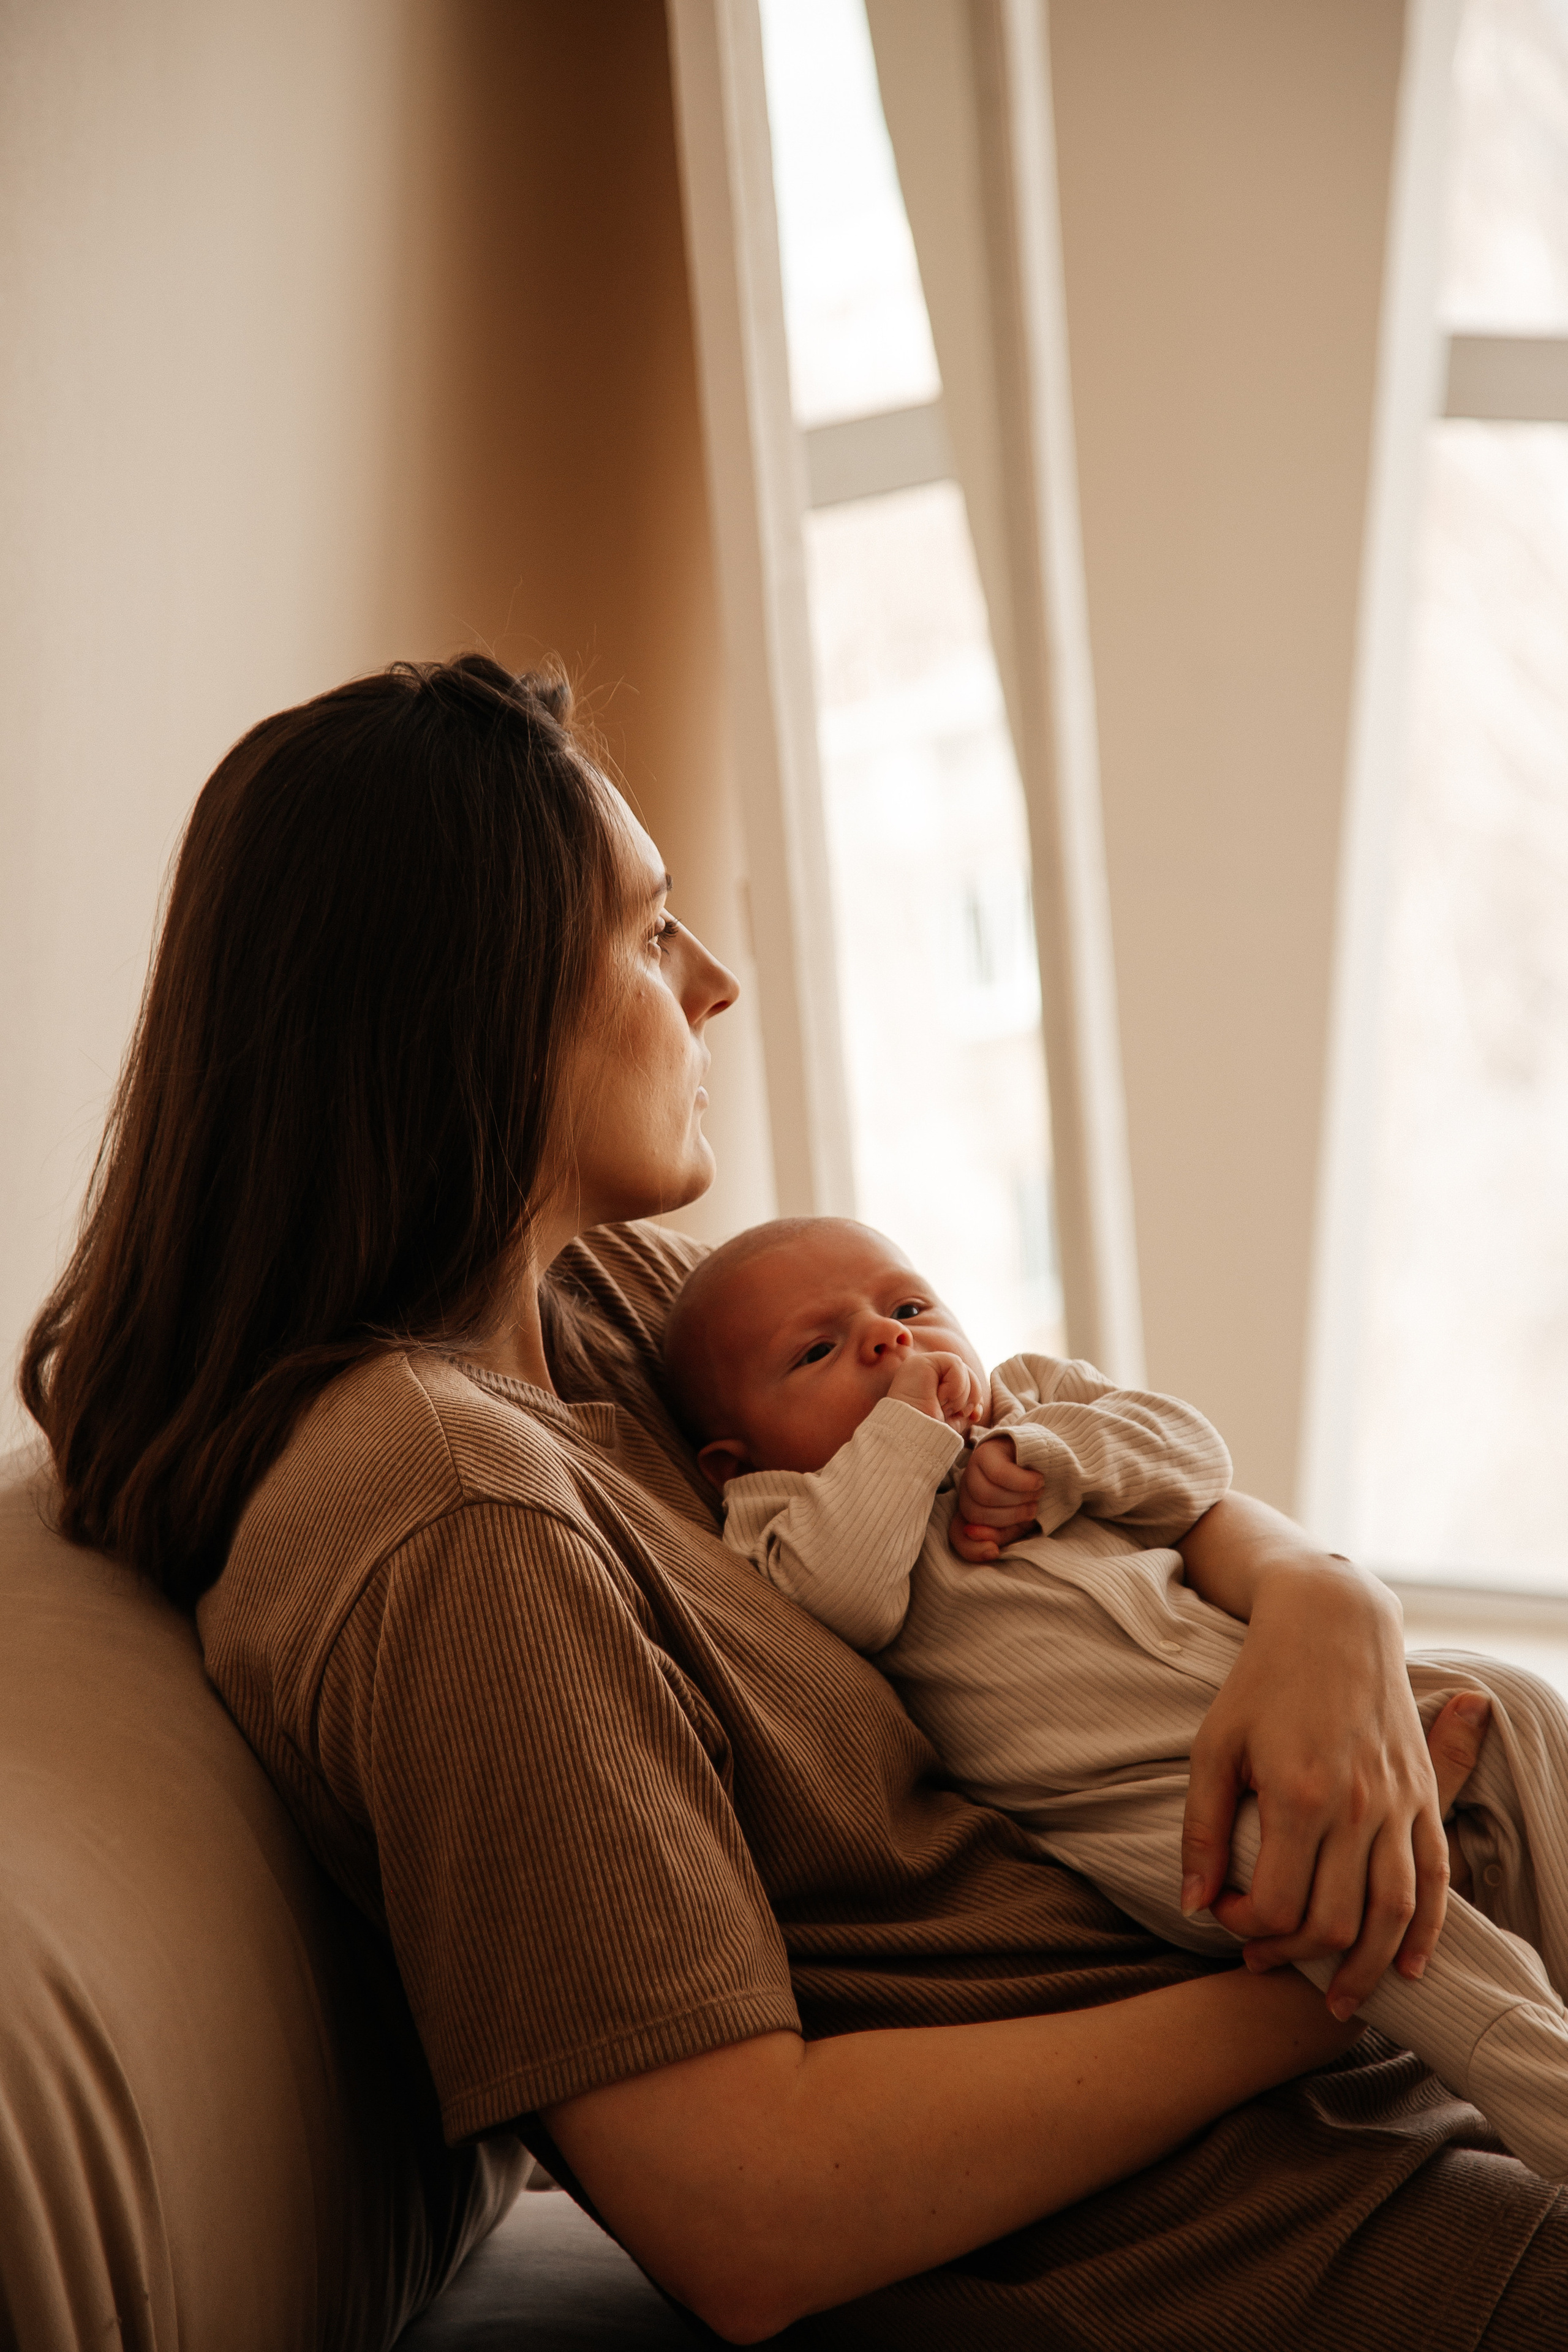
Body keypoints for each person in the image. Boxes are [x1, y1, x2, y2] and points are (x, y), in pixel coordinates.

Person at [20, 657, 1566, 2346]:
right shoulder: (458, 1515)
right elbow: (746, 2208)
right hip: (1269, 2230)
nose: (718, 983)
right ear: (473, 1000)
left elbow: (1042, 1429)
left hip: (1363, 2013)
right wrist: (1332, 1981)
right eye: (651, 931)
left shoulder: (595, 1312)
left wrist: (1326, 1600)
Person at [662, 1213, 1568, 2185]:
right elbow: (840, 1599)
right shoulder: (779, 1516)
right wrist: (905, 1438)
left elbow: (1193, 1458)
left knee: (1507, 1698)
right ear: (736, 1458)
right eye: (818, 1350)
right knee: (1318, 1881)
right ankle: (1542, 2085)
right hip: (1145, 1805)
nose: (890, 1341)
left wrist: (1058, 1455)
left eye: (909, 1307)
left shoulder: (1039, 1397)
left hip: (1275, 1695)